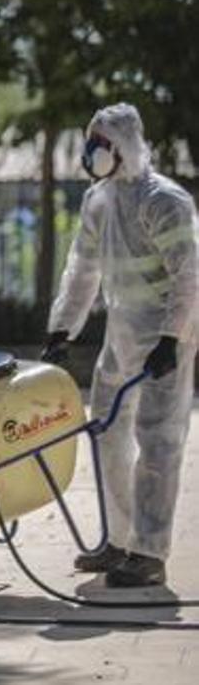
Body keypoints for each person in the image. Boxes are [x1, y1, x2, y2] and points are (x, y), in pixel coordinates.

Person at [42, 103, 199, 588]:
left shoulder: (164, 201)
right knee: (106, 432)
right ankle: (119, 541)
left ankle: (149, 553)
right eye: (90, 142)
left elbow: (189, 277)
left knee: (158, 439)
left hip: (165, 340)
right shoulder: (98, 201)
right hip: (123, 335)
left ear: (123, 147)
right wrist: (61, 329)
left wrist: (172, 339)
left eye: (100, 143)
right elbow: (82, 270)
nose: (91, 153)